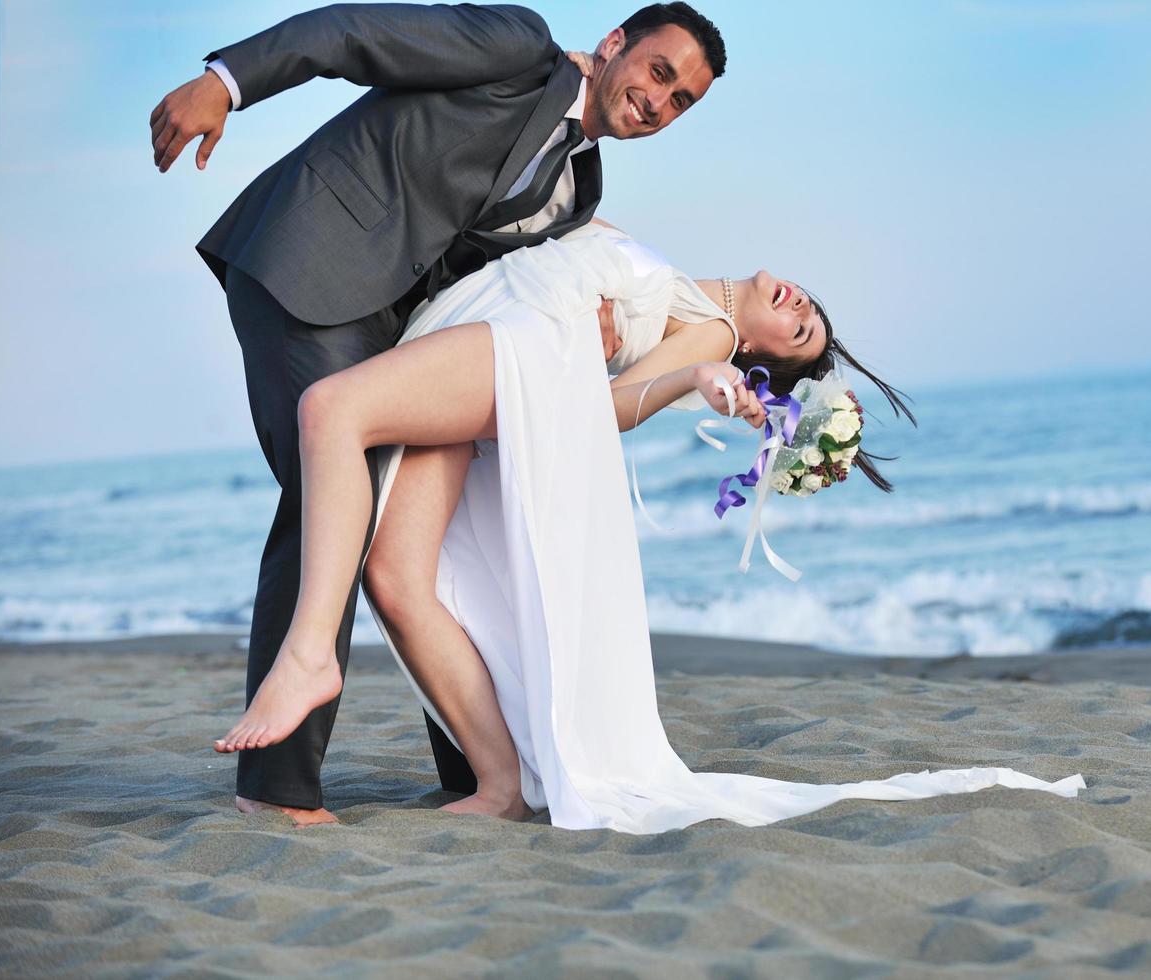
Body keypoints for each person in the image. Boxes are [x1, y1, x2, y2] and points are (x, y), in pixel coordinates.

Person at [213, 222, 1087, 833]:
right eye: (807, 305)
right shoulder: (683, 284)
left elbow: (612, 408)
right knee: (397, 577)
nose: (796, 303)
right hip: (483, 332)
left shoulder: (708, 327)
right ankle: (501, 781)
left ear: (761, 357)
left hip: (518, 355)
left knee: (334, 414)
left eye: (799, 327)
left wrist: (690, 378)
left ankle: (328, 669)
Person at [149, 2, 725, 824]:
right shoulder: (519, 49)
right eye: (659, 72)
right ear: (615, 46)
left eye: (681, 102)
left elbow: (498, 279)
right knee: (326, 505)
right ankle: (275, 791)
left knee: (413, 526)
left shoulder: (581, 189)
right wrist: (225, 83)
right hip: (307, 260)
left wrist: (584, 321)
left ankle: (474, 773)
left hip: (391, 322)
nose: (659, 100)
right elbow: (354, 34)